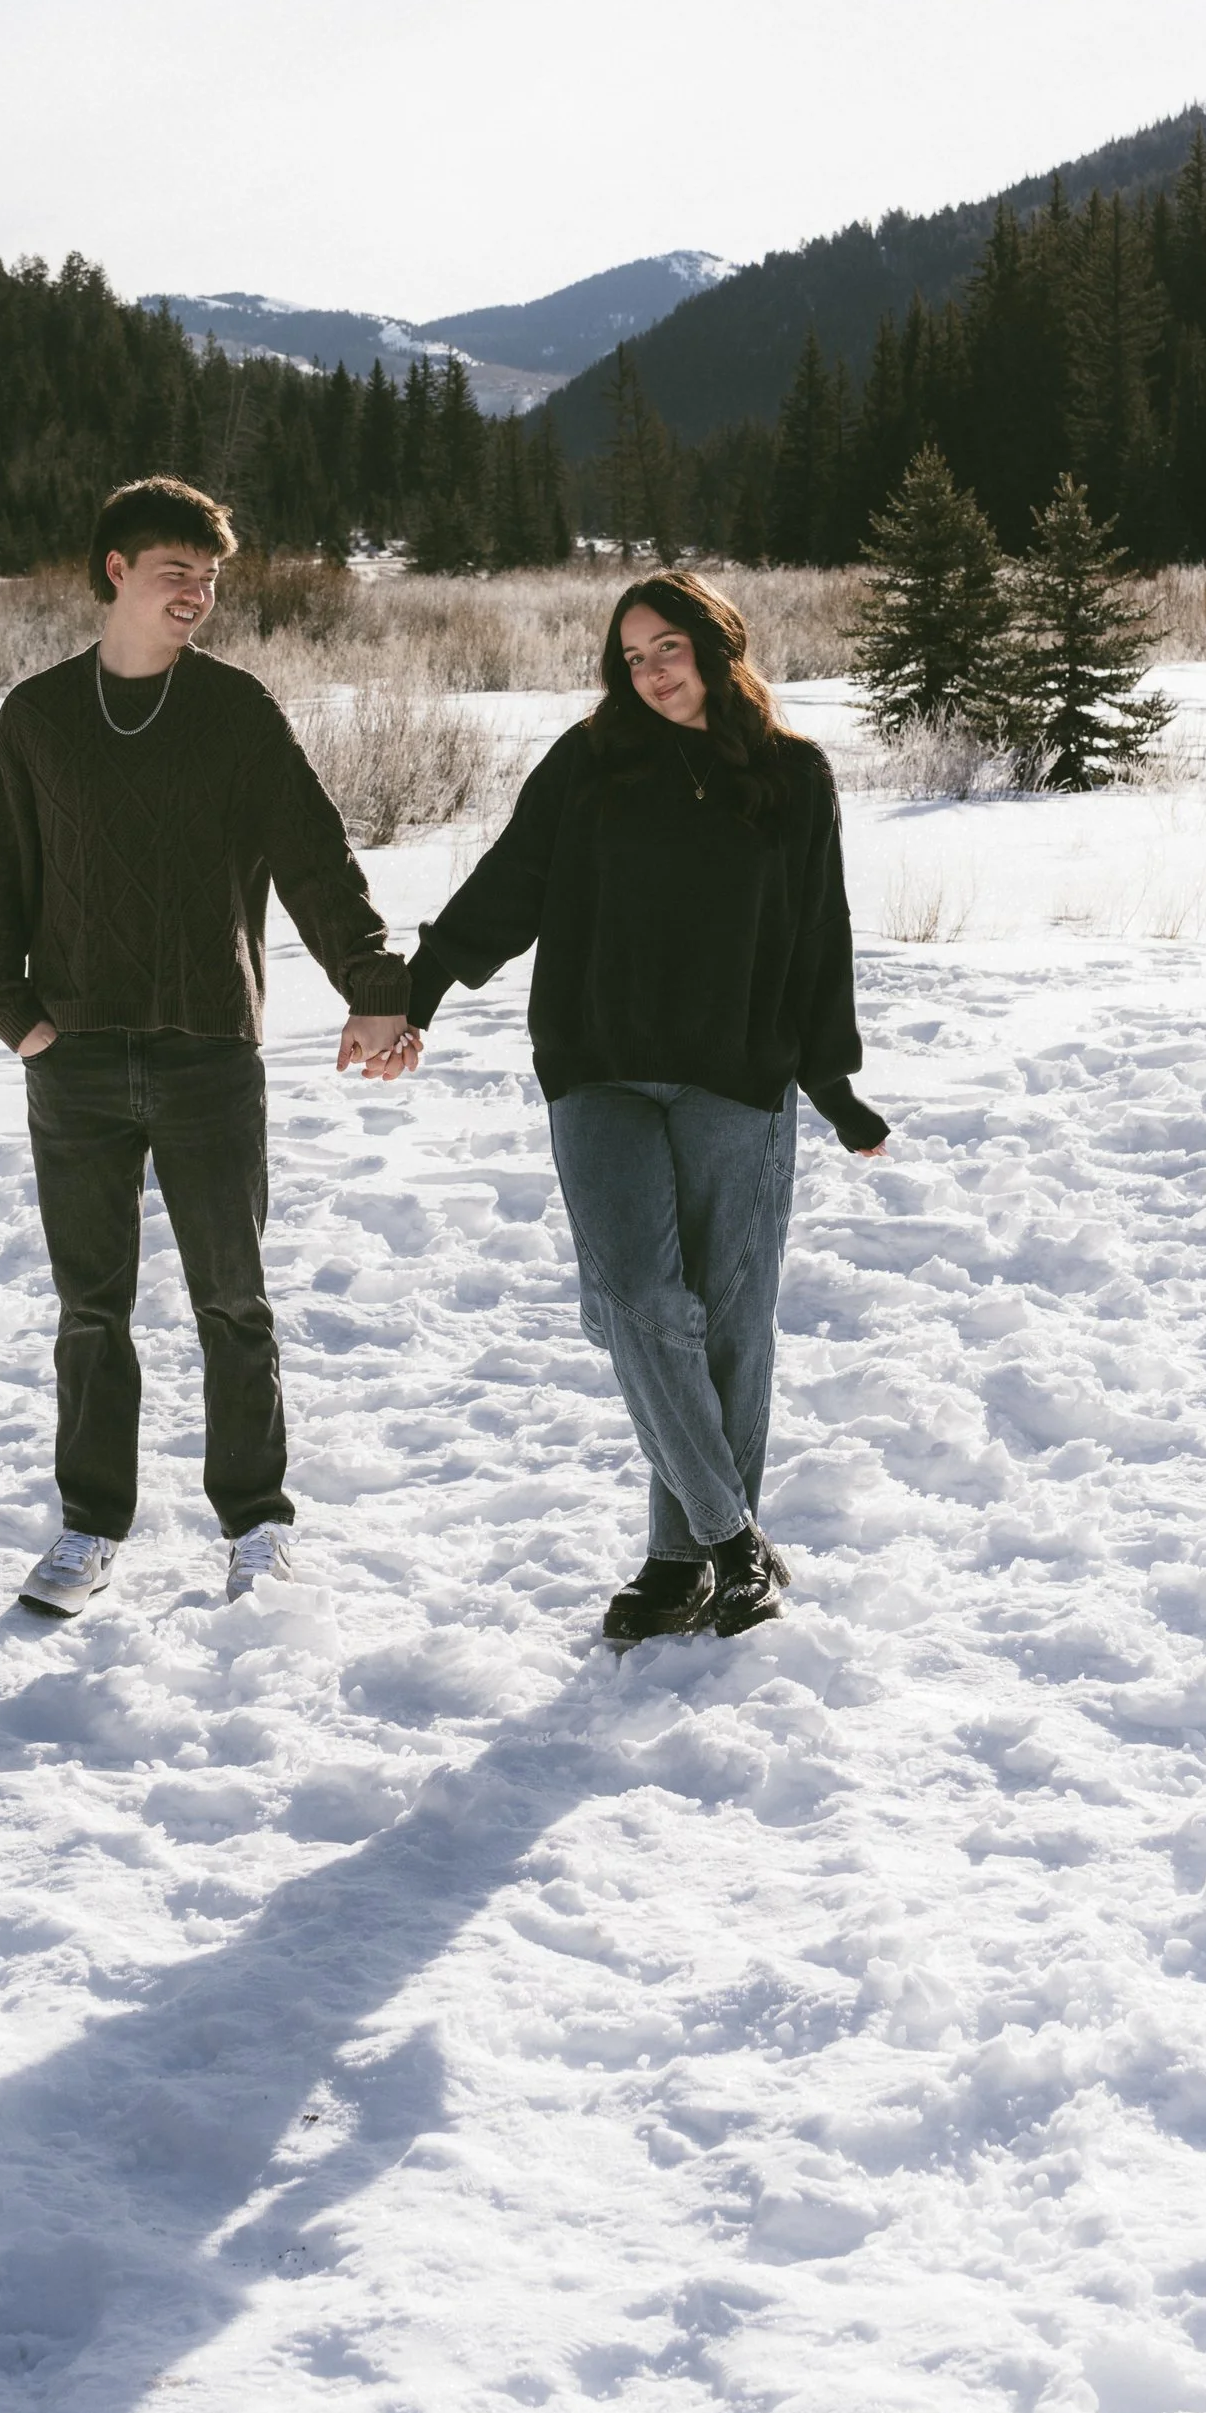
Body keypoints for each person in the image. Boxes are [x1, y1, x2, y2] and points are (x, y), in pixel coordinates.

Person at [0, 476, 420, 1615]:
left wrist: (373, 987)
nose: (198, 596)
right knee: (90, 1309)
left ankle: (256, 1525)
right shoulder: (37, 717)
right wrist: (9, 1014)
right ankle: (87, 1528)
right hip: (73, 1059)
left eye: (210, 578)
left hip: (211, 1049)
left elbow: (313, 858)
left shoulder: (234, 713)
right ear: (115, 570)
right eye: (177, 573)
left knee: (234, 1301)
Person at [405, 570, 886, 1646]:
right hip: (600, 1066)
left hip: (736, 1078)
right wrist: (417, 988)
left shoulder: (792, 777)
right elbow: (512, 880)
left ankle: (678, 1568)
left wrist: (833, 1084)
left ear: (718, 646)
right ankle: (731, 1539)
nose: (650, 673)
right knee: (630, 1297)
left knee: (729, 1323)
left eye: (667, 648)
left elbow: (819, 936)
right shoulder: (590, 762)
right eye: (631, 658)